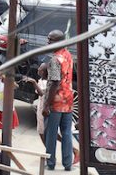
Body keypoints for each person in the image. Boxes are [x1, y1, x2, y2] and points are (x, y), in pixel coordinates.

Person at [44, 30, 75, 171]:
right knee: (67, 132)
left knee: (50, 132)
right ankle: (68, 163)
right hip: (68, 100)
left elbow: (54, 83)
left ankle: (50, 162)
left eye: (51, 40)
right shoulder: (68, 55)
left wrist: (46, 104)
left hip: (56, 102)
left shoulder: (55, 60)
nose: (48, 42)